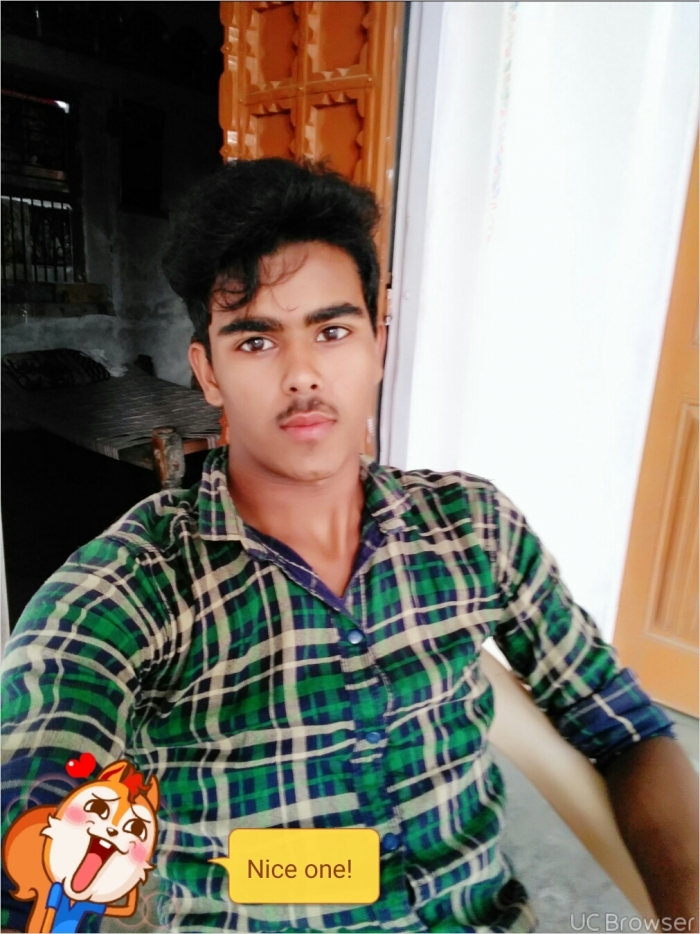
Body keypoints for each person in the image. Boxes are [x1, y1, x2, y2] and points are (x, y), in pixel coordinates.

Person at [2, 158, 698, 934]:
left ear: (378, 345)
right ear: (208, 372)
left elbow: (630, 730)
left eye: (332, 331)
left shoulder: (473, 527)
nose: (303, 375)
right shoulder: (140, 584)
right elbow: (35, 802)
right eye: (256, 341)